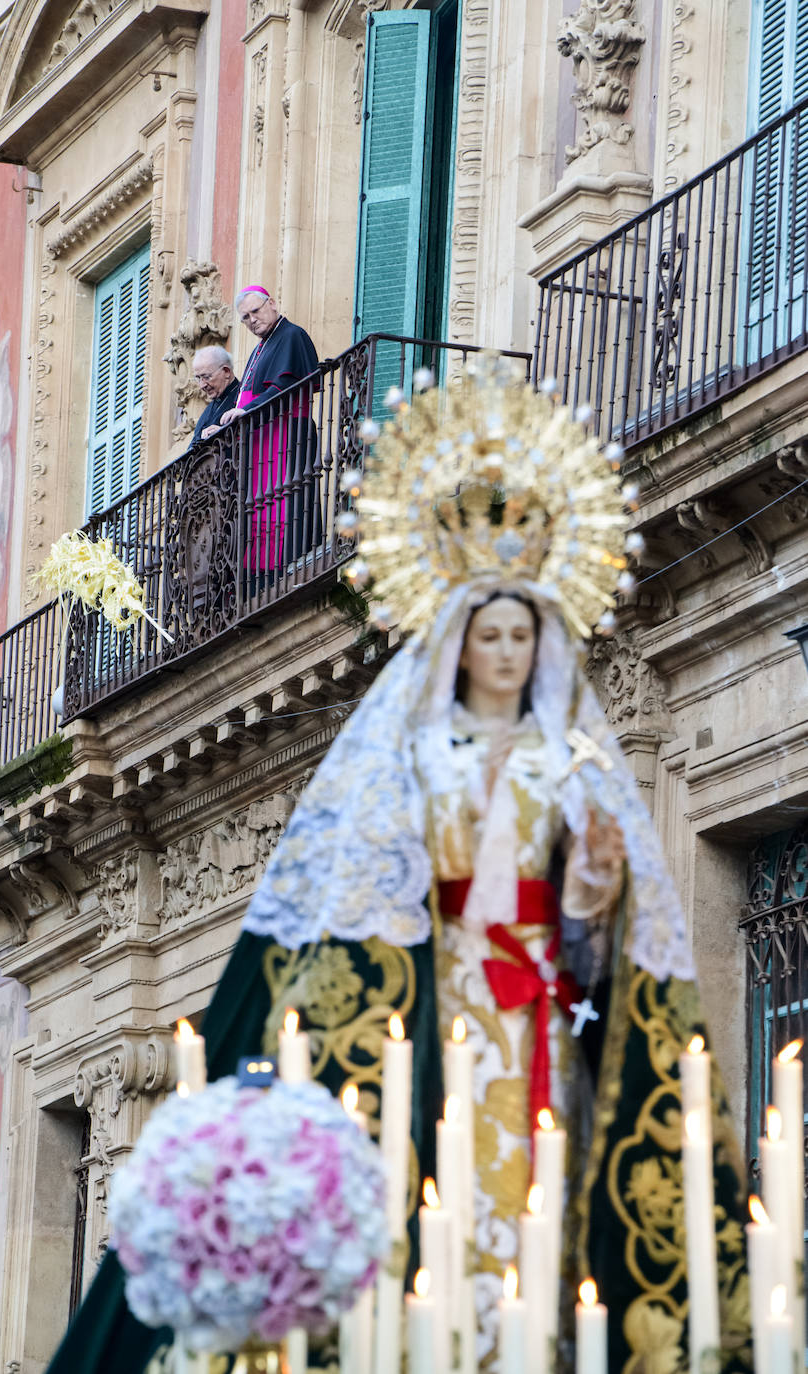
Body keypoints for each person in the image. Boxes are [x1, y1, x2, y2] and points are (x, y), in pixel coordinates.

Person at [45, 366, 751, 1374]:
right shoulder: (411, 761)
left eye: (522, 633)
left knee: (553, 1205)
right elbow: (357, 914)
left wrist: (593, 899)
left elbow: (607, 940)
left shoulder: (580, 772)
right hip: (439, 1011)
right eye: (489, 633)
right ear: (460, 642)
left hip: (542, 1011)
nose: (506, 652)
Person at [220, 287, 320, 577]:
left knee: (282, 504)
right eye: (245, 317)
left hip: (285, 434)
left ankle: (284, 563)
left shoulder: (291, 336)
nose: (252, 319)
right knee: (260, 509)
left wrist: (246, 411)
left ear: (272, 304)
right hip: (262, 438)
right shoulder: (260, 347)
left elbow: (283, 388)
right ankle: (262, 570)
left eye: (256, 310)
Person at [187, 345, 240, 444]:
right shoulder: (208, 409)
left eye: (206, 377)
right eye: (198, 378)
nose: (202, 385)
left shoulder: (242, 396)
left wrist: (223, 434)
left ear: (226, 371)